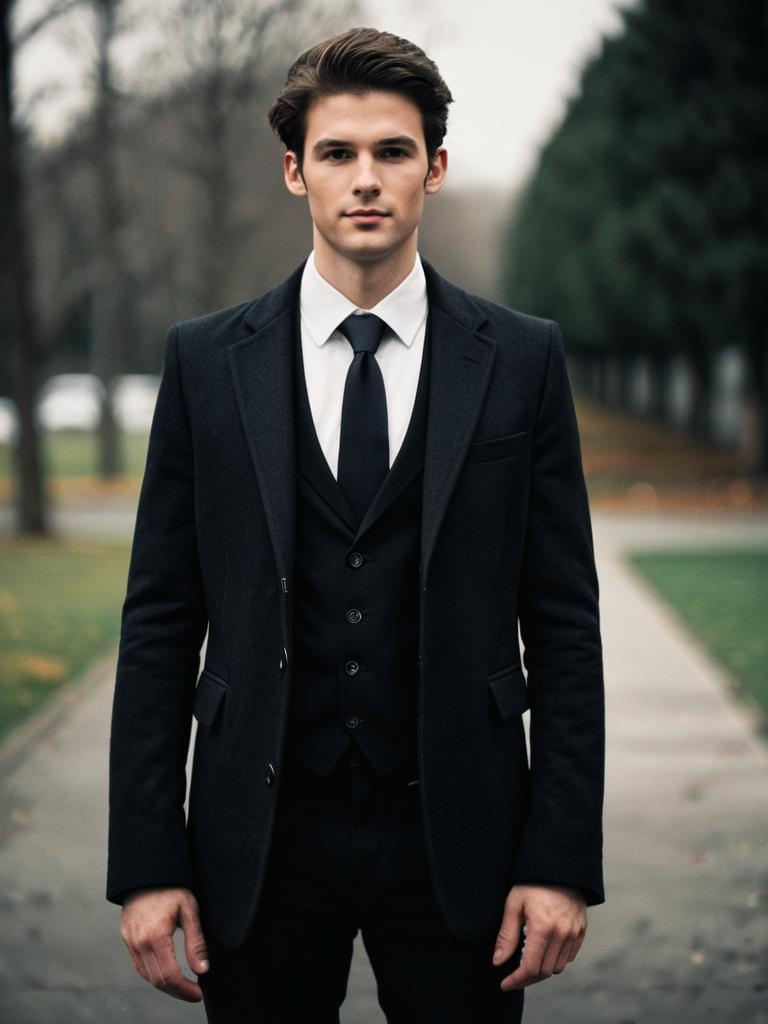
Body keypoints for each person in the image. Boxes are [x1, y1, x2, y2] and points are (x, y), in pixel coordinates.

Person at [106, 26, 605, 1024]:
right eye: (337, 153)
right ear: (296, 171)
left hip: (461, 835)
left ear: (435, 168)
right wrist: (148, 861)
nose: (365, 179)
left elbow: (565, 627)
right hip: (260, 838)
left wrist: (559, 858)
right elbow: (159, 621)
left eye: (393, 151)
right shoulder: (206, 363)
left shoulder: (520, 360)